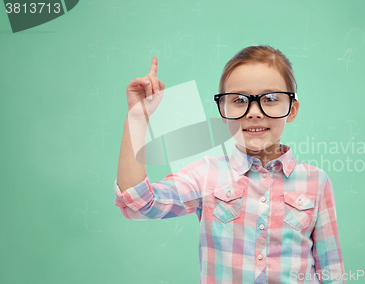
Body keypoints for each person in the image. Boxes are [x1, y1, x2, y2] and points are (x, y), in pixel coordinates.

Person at [114, 45, 345, 283]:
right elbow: (138, 203)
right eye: (239, 100)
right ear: (222, 111)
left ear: (292, 109)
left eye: (271, 98)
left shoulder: (316, 182)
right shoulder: (206, 175)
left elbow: (332, 272)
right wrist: (137, 118)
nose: (254, 112)